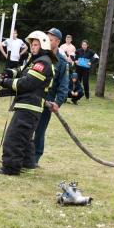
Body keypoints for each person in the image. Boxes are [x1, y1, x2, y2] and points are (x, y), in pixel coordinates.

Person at [0, 31, 55, 175]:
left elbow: (27, 83)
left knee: (14, 136)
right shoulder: (36, 61)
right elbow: (22, 71)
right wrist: (8, 73)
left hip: (29, 106)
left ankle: (11, 168)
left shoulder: (43, 62)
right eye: (31, 45)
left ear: (43, 45)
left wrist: (4, 82)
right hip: (28, 105)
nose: (32, 47)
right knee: (24, 136)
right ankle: (27, 164)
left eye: (35, 45)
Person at [33, 28, 69, 166]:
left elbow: (64, 85)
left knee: (40, 130)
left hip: (48, 100)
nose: (47, 40)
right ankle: (24, 155)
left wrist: (57, 103)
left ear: (58, 42)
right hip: (34, 96)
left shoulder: (62, 61)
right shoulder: (41, 55)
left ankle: (35, 158)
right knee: (28, 127)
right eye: (46, 37)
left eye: (51, 39)